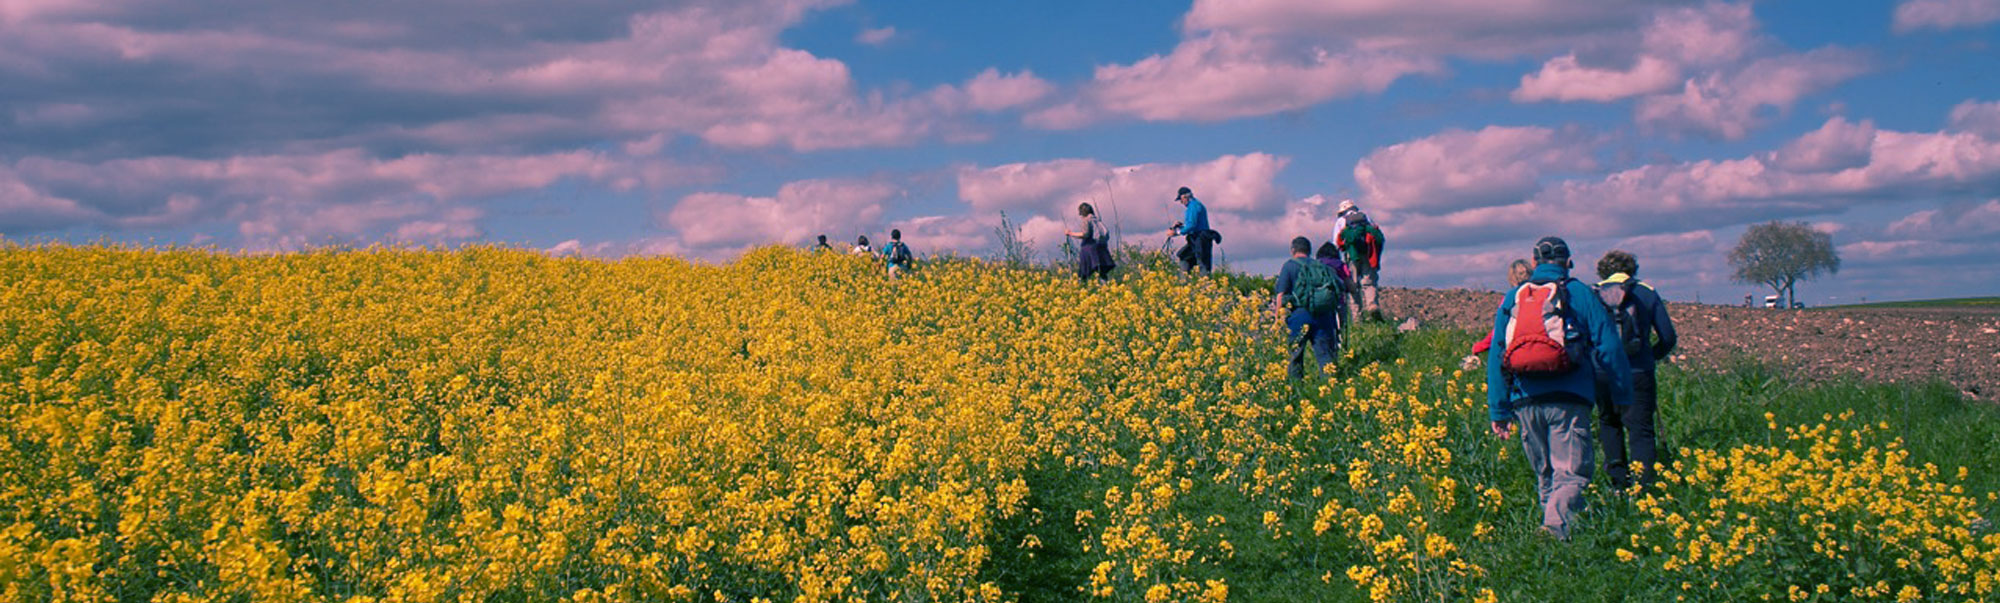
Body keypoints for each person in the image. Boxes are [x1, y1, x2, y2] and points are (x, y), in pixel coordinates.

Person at [1486, 237, 1633, 541]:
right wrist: (1622, 395)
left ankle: (1550, 545)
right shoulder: (1578, 293)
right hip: (1569, 396)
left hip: (1524, 398)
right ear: (1568, 262)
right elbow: (1609, 346)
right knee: (1571, 475)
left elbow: (1497, 354)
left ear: (1535, 262)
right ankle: (1555, 533)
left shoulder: (1514, 297)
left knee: (1546, 476)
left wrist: (1499, 409)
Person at [1593, 249, 1678, 490]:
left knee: (1609, 424)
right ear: (1632, 270)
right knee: (1640, 430)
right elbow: (1668, 337)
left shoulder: (1594, 294)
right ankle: (1644, 489)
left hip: (1603, 372)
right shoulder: (1645, 293)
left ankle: (1618, 485)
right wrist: (1650, 357)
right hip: (1638, 372)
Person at [1276, 237, 1342, 378]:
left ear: (1292, 250)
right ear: (1310, 251)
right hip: (1323, 316)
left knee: (1295, 356)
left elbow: (1281, 295)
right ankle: (1330, 389)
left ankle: (1295, 390)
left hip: (1299, 316)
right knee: (1325, 358)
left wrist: (1277, 319)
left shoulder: (1289, 266)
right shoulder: (1321, 266)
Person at [1465, 259, 1534, 369]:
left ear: (1512, 278)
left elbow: (1499, 330)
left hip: (1517, 354)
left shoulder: (1510, 298)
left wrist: (1481, 346)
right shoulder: (1544, 296)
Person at [1335, 201, 1386, 321]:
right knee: (1368, 282)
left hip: (1351, 256)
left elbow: (1336, 241)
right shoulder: (1366, 217)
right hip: (1368, 254)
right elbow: (1377, 235)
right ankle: (1372, 304)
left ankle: (1357, 317)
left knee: (1353, 285)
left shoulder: (1341, 221)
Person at [1063, 203, 1116, 283]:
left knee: (1084, 272)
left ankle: (1082, 288)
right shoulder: (1096, 219)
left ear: (1081, 212)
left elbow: (1085, 234)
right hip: (1101, 247)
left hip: (1089, 248)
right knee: (1101, 271)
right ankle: (1106, 288)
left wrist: (1070, 233)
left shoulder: (1086, 220)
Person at [1170, 186, 1215, 274]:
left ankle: (1204, 284)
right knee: (1183, 256)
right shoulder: (1194, 205)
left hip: (1201, 239)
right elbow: (1192, 225)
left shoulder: (1194, 206)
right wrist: (1181, 227)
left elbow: (1192, 225)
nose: (1181, 202)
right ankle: (1185, 281)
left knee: (1202, 263)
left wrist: (1176, 232)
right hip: (1195, 238)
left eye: (1181, 199)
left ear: (1185, 197)